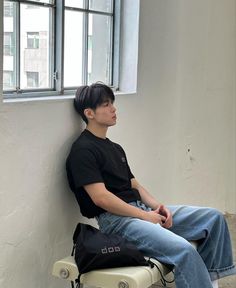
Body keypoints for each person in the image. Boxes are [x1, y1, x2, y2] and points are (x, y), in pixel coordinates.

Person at [66, 83, 236, 288]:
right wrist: (145, 217)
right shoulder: (82, 150)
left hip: (140, 211)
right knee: (184, 250)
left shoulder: (114, 148)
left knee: (214, 218)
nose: (114, 108)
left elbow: (134, 185)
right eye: (106, 104)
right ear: (89, 113)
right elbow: (101, 198)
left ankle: (208, 283)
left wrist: (157, 207)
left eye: (113, 103)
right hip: (117, 223)